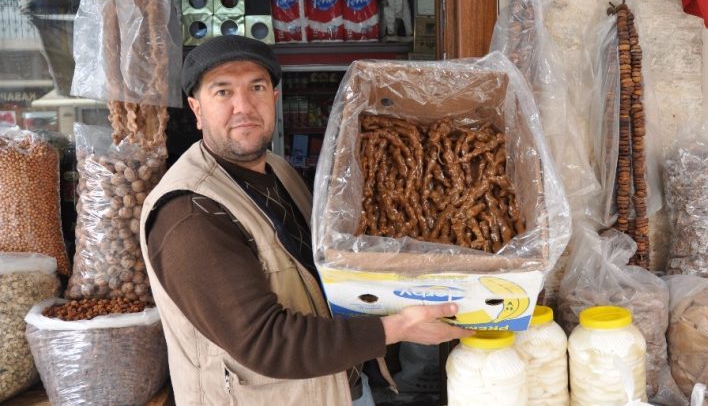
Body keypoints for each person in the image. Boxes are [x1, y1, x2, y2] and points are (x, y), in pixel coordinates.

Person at [139, 34, 472, 405]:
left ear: (274, 99)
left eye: (257, 87)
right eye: (222, 92)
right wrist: (398, 328)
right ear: (196, 109)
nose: (243, 105)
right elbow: (265, 342)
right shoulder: (189, 213)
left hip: (339, 388)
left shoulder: (279, 171)